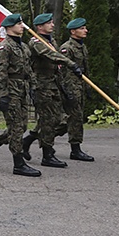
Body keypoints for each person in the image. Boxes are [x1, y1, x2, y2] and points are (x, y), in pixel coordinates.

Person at [0, 13, 41, 176]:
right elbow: (0, 73)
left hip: (22, 91)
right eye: (19, 23)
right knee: (16, 128)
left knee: (21, 126)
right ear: (9, 27)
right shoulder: (4, 47)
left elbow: (29, 71)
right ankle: (18, 164)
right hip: (11, 91)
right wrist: (4, 96)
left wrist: (34, 88)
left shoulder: (24, 47)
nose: (22, 26)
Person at [21, 13, 83, 168]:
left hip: (53, 84)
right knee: (49, 119)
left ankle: (28, 141)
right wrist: (71, 63)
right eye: (49, 23)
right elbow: (50, 55)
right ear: (40, 27)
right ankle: (47, 155)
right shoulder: (36, 42)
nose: (53, 25)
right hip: (42, 85)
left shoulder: (51, 40)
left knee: (54, 119)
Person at [57, 17, 94, 161]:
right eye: (82, 28)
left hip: (80, 86)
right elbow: (63, 72)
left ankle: (35, 137)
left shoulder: (82, 46)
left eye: (85, 28)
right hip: (71, 87)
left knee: (76, 118)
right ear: (73, 31)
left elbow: (86, 70)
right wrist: (67, 91)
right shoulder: (67, 48)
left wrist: (88, 86)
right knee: (73, 118)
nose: (86, 30)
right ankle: (75, 149)